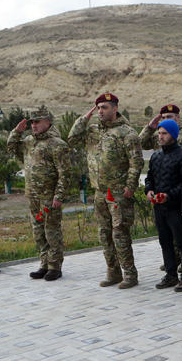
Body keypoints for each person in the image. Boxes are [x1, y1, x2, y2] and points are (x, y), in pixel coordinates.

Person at [68, 93, 144, 289]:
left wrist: (130, 187)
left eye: (104, 107)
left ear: (115, 109)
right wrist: (85, 117)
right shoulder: (93, 131)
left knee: (120, 233)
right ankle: (113, 272)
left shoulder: (127, 133)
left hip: (118, 192)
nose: (100, 111)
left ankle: (129, 273)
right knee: (104, 233)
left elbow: (136, 162)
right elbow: (73, 137)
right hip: (100, 192)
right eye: (98, 107)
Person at [7, 110, 70, 281]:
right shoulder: (28, 142)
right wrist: (17, 132)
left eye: (38, 122)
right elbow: (11, 147)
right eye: (32, 122)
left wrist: (59, 196)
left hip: (49, 197)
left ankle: (55, 266)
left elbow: (64, 173)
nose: (34, 125)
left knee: (52, 232)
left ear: (47, 123)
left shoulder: (57, 144)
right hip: (33, 196)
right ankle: (44, 264)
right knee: (38, 232)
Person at [144, 119, 182, 292]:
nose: (161, 137)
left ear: (173, 135)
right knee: (165, 241)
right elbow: (149, 176)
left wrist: (169, 195)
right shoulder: (156, 155)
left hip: (175, 206)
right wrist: (149, 190)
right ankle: (171, 274)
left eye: (164, 133)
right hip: (159, 207)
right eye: (159, 133)